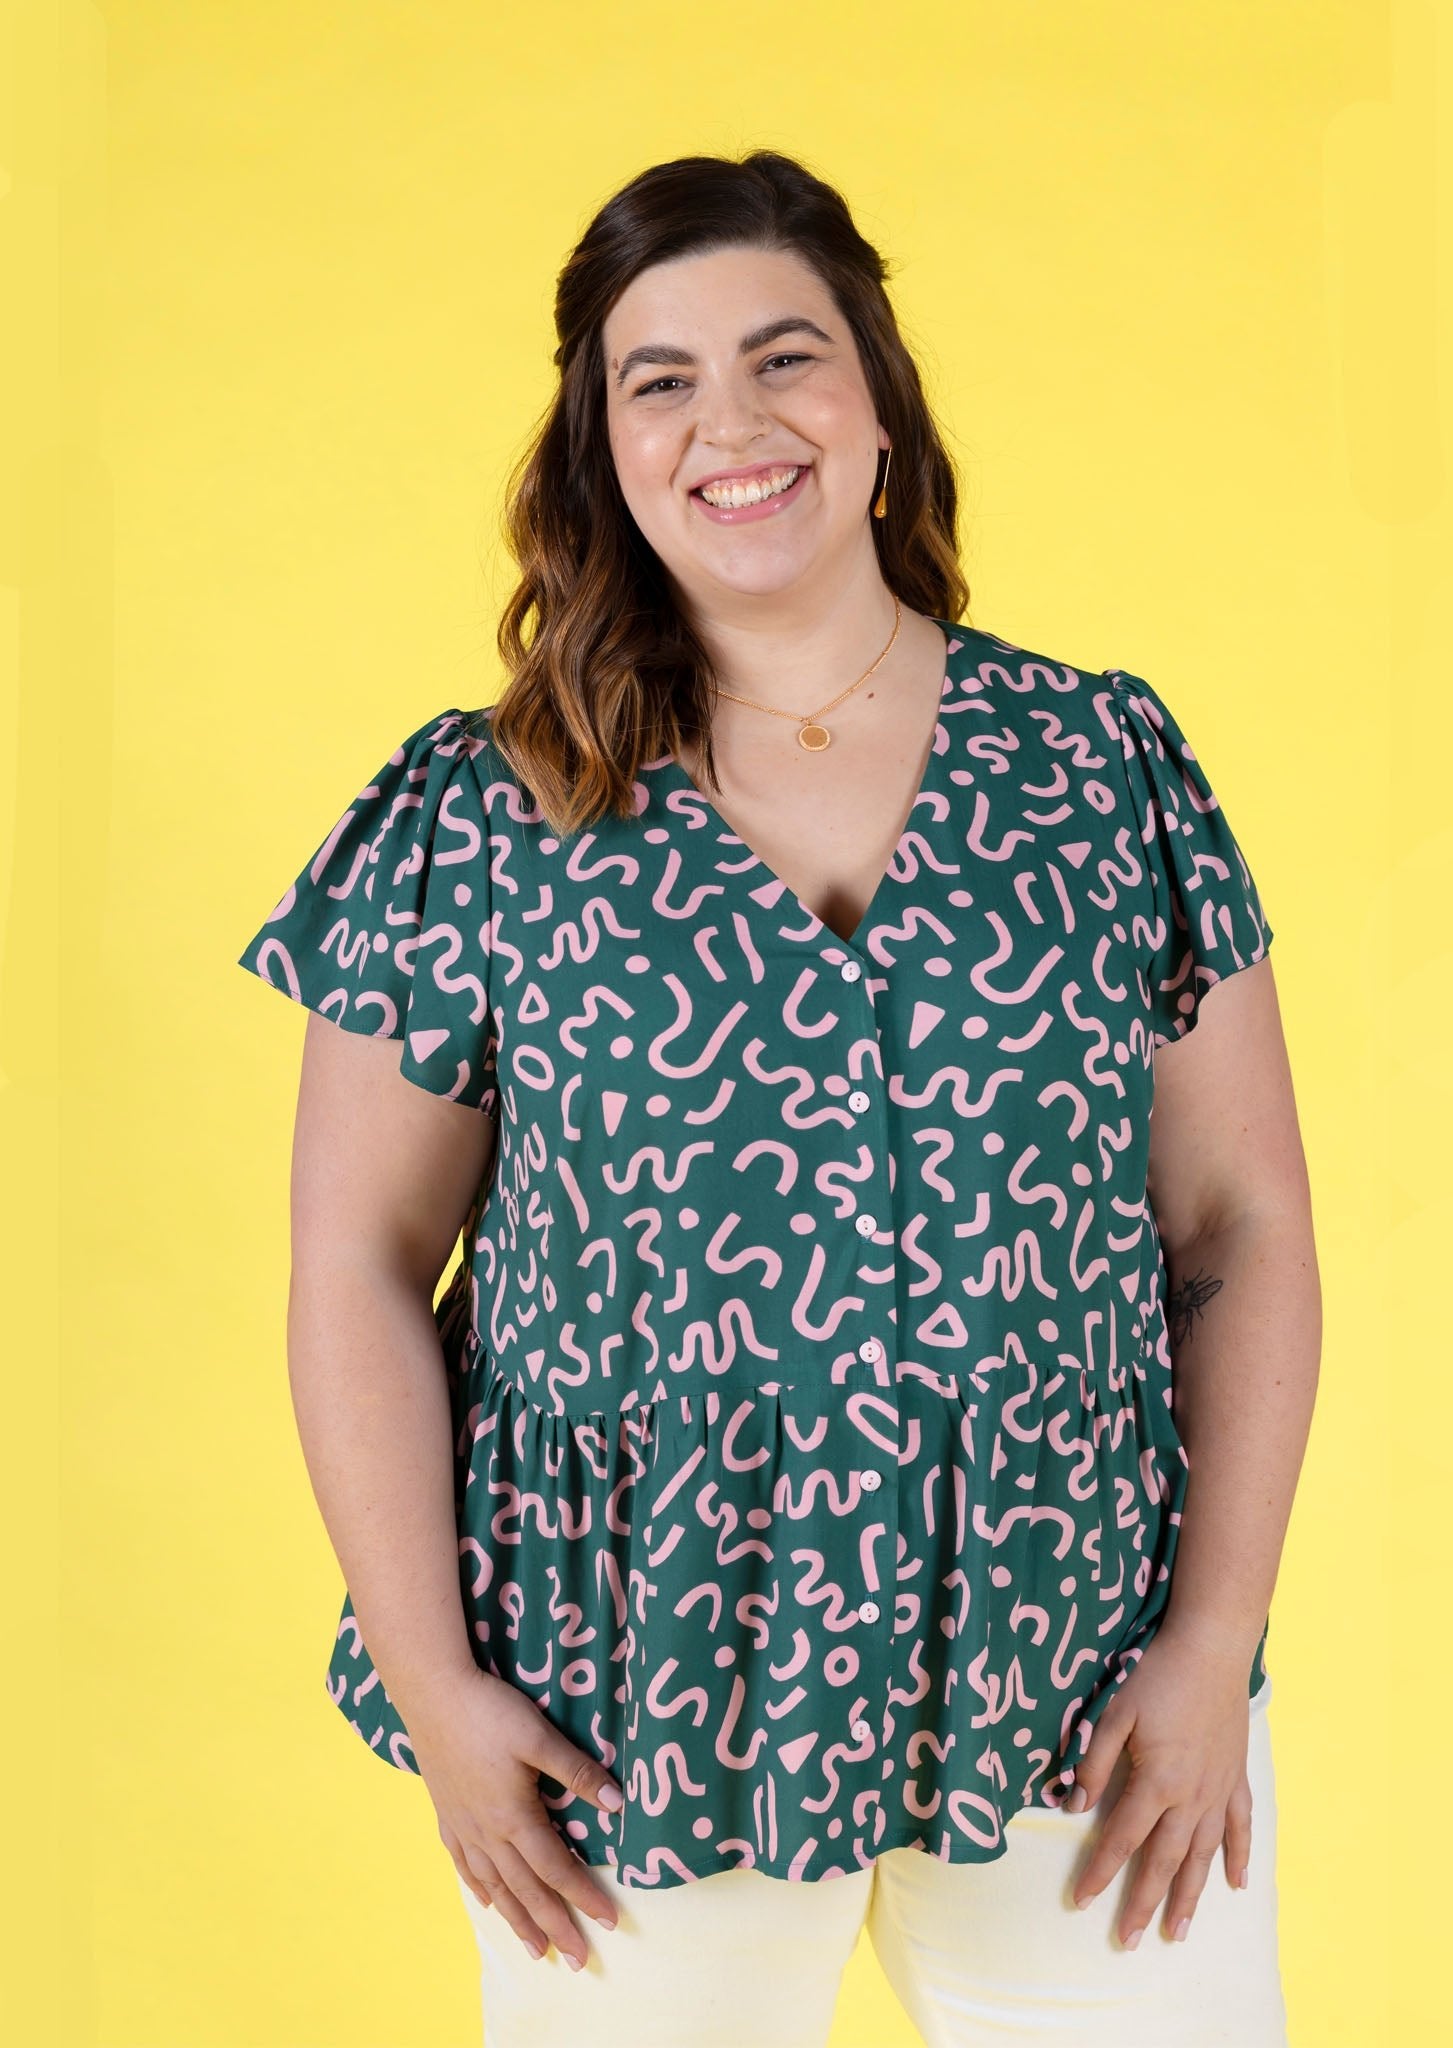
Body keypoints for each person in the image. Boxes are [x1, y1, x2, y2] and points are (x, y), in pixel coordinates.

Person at [236, 149, 1319, 2048]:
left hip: (1082, 1667)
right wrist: (433, 1688)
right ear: (603, 451)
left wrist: (1214, 1638)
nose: (728, 423)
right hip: (627, 1685)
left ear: (879, 403)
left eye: (784, 357)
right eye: (658, 380)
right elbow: (358, 1261)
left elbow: (1237, 1226)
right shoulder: (485, 812)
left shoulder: (1096, 764)